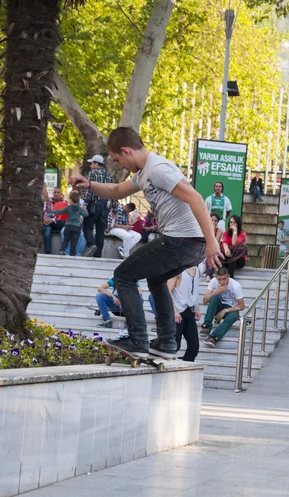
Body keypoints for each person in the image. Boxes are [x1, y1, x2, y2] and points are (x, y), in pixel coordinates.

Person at [70, 126, 222, 359]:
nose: (120, 165)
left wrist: (212, 241)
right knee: (156, 279)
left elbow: (196, 197)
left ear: (126, 151)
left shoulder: (158, 168)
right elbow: (117, 190)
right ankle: (166, 342)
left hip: (183, 239)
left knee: (123, 275)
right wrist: (88, 185)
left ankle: (137, 339)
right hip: (189, 244)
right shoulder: (142, 174)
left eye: (118, 159)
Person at [200, 267, 245, 349]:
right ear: (216, 277)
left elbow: (242, 306)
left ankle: (213, 338)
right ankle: (206, 326)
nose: (222, 282)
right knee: (214, 297)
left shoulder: (235, 286)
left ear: (228, 276)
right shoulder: (213, 281)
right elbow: (204, 301)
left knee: (234, 316)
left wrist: (225, 310)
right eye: (219, 279)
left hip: (230, 309)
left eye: (224, 279)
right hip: (218, 306)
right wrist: (217, 291)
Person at [82, 154, 114, 258]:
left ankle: (91, 245)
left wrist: (85, 203)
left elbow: (89, 189)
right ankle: (98, 254)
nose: (91, 165)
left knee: (87, 226)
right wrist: (114, 209)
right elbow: (114, 191)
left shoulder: (93, 173)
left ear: (96, 163)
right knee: (100, 231)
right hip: (105, 206)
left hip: (94, 203)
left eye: (92, 163)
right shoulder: (109, 176)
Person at [167, 267, 200, 362]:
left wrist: (197, 307)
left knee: (194, 346)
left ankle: (186, 367)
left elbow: (196, 289)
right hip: (178, 310)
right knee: (175, 344)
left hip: (190, 310)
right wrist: (174, 311)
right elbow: (168, 290)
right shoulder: (178, 269)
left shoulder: (197, 270)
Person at [52, 191, 89, 256]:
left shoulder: (68, 207)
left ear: (71, 200)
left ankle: (62, 250)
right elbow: (86, 214)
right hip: (77, 227)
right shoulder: (79, 208)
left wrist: (51, 210)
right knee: (74, 241)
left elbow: (60, 212)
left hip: (68, 226)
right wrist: (85, 209)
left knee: (66, 239)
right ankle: (73, 253)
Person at [221, 214, 247, 279]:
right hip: (228, 257)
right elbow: (225, 242)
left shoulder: (242, 234)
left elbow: (234, 243)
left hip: (239, 259)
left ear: (238, 224)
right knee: (223, 259)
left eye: (234, 223)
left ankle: (230, 280)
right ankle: (221, 281)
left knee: (232, 260)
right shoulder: (226, 232)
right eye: (231, 222)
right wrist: (226, 249)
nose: (232, 224)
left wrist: (235, 231)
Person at [205, 213, 224, 282]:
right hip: (204, 251)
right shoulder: (204, 229)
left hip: (214, 251)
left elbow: (214, 242)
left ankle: (208, 275)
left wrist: (212, 231)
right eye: (212, 220)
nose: (213, 222)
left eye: (215, 221)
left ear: (217, 222)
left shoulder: (219, 231)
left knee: (212, 255)